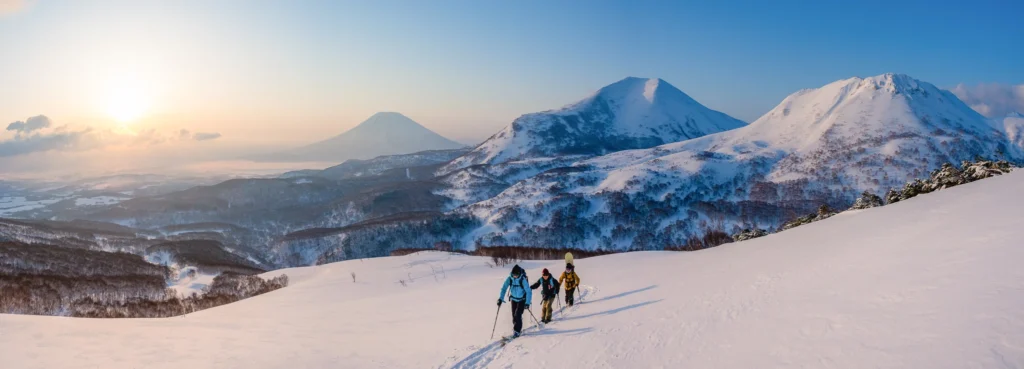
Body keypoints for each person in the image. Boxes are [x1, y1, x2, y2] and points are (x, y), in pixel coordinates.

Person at [498, 264, 532, 337]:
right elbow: (504, 288)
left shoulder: (523, 280)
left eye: (516, 275)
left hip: (522, 300)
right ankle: (516, 327)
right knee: (514, 316)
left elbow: (528, 291)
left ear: (519, 274)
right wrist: (500, 298)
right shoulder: (510, 278)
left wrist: (527, 303)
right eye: (514, 275)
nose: (515, 276)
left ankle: (517, 331)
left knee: (517, 314)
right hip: (513, 299)